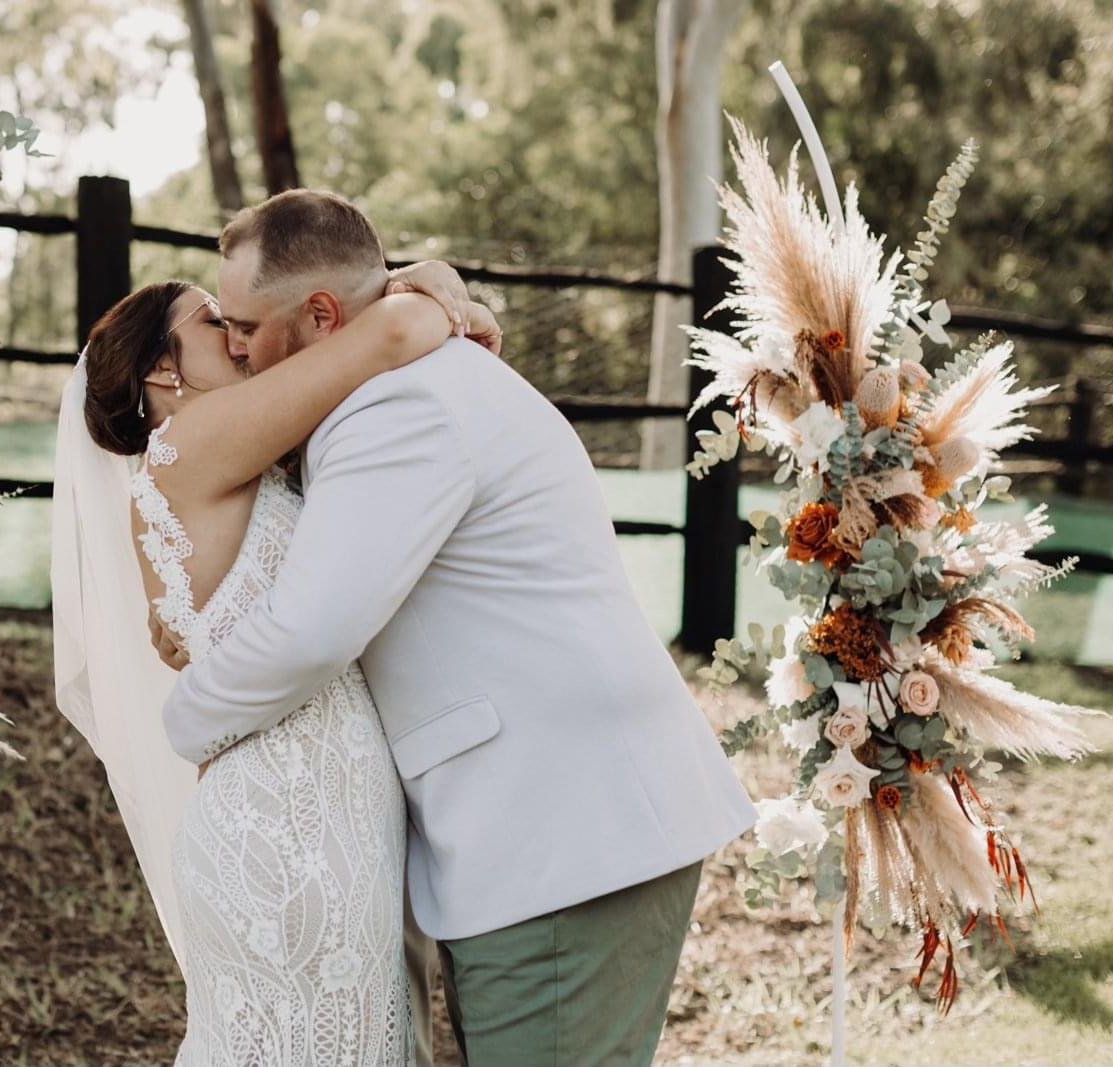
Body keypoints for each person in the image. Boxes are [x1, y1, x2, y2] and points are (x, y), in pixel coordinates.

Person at [157, 189, 758, 1066]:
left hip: (561, 838)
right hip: (549, 839)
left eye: (245, 323)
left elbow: (311, 630)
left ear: (321, 314)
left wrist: (181, 720)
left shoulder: (397, 407)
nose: (236, 344)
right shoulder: (402, 381)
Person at [53, 252, 499, 1065]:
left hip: (313, 818)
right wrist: (427, 284)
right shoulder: (189, 443)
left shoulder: (238, 458)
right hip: (292, 830)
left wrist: (422, 273)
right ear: (162, 369)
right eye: (209, 323)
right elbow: (393, 331)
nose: (233, 334)